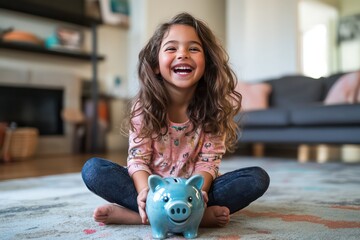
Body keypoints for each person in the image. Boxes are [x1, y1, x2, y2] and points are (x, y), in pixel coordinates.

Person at [82, 12, 270, 228]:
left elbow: (208, 163)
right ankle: (194, 218)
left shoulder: (214, 109)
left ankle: (143, 217)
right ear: (155, 64)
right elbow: (138, 160)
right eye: (171, 48)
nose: (183, 54)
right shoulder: (144, 107)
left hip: (194, 193)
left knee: (257, 178)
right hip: (152, 190)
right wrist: (145, 193)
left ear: (207, 64)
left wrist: (197, 193)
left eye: (193, 49)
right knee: (93, 170)